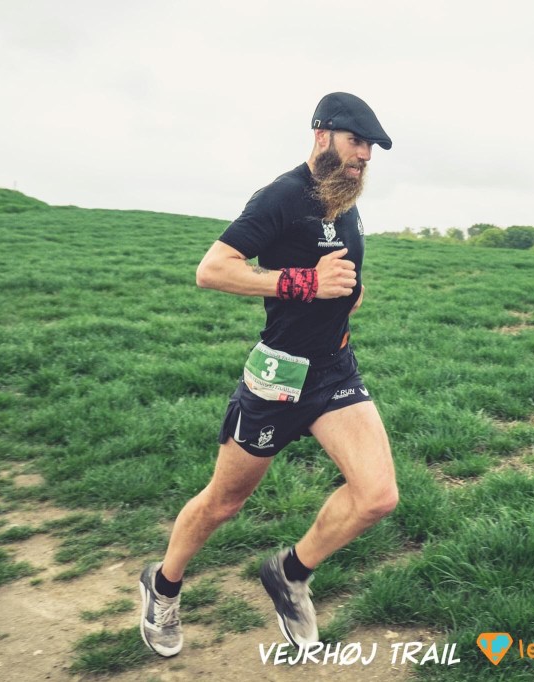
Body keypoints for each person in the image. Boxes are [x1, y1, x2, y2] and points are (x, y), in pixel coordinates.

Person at [139, 92, 398, 656]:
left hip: (334, 369)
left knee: (377, 496)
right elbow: (212, 270)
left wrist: (347, 292)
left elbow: (341, 272)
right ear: (322, 135)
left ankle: (289, 572)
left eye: (371, 147)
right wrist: (304, 283)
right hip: (278, 376)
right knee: (224, 502)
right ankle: (163, 584)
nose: (365, 155)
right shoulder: (282, 195)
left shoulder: (344, 199)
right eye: (356, 141)